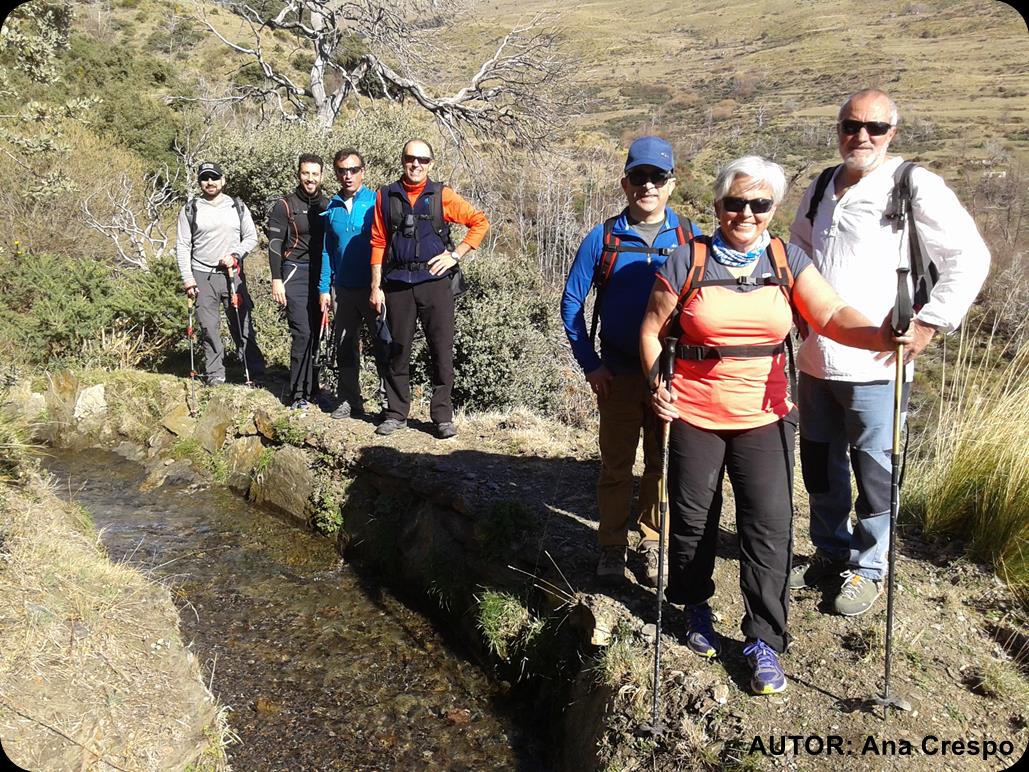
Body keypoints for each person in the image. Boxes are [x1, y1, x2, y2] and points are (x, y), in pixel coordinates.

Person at [640, 155, 912, 695]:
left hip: (765, 418)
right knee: (693, 521)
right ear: (717, 206)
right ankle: (693, 606)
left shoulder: (789, 260)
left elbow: (832, 315)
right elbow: (652, 330)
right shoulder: (684, 260)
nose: (746, 213)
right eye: (735, 203)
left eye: (759, 204)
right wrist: (656, 386)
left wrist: (884, 335)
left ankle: (764, 638)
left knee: (769, 530)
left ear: (773, 209)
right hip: (694, 413)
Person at [788, 89, 990, 616]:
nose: (862, 136)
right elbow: (796, 255)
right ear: (838, 128)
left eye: (876, 127)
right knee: (820, 466)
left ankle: (870, 566)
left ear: (892, 133)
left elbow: (970, 258)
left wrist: (929, 324)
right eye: (852, 125)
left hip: (880, 364)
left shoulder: (912, 184)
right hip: (815, 360)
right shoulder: (820, 187)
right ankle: (830, 552)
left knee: (874, 471)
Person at [561, 135, 701, 587]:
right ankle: (611, 548)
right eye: (639, 177)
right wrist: (590, 363)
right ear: (625, 184)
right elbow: (571, 303)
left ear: (671, 184)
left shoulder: (689, 240)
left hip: (670, 376)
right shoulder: (602, 238)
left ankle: (654, 540)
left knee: (663, 463)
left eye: (656, 178)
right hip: (618, 373)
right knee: (617, 465)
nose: (648, 186)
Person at [369, 138, 489, 439]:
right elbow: (378, 241)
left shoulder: (441, 195)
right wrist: (375, 285)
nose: (416, 165)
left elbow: (479, 222)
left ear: (431, 164)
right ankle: (396, 413)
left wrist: (455, 255)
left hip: (435, 284)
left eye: (423, 160)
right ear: (402, 160)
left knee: (441, 350)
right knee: (397, 350)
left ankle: (442, 416)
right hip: (397, 284)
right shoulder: (385, 196)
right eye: (411, 158)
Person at [176, 161, 266, 386]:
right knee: (208, 326)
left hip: (232, 274)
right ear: (200, 183)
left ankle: (254, 371)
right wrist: (188, 278)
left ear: (223, 180)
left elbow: (251, 237)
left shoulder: (237, 206)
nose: (210, 182)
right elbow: (183, 245)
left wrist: (236, 255)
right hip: (202, 274)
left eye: (214, 178)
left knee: (241, 322)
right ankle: (215, 374)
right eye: (205, 178)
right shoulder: (190, 209)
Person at [318, 147, 384, 419]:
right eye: (342, 170)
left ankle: (389, 403)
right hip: (342, 290)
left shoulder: (376, 201)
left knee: (383, 344)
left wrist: (380, 286)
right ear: (336, 173)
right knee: (345, 345)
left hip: (372, 288)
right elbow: (326, 251)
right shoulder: (331, 207)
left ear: (362, 172)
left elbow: (385, 244)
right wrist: (324, 288)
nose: (348, 175)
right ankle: (348, 399)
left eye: (353, 170)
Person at [267, 153, 330, 409]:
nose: (310, 179)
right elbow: (274, 245)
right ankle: (297, 394)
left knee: (317, 333)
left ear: (322, 176)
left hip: (320, 274)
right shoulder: (284, 205)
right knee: (302, 333)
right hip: (293, 272)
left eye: (315, 174)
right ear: (298, 174)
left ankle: (313, 388)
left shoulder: (327, 205)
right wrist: (276, 279)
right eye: (306, 173)